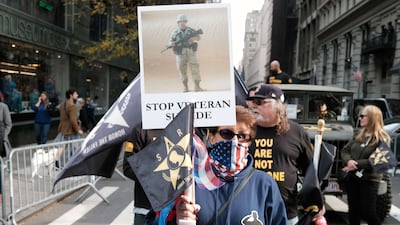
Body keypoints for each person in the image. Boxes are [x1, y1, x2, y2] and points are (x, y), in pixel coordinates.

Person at [168, 106, 287, 224]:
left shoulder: (264, 184)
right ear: (212, 137)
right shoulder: (189, 180)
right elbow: (157, 220)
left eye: (242, 136)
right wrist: (178, 219)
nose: (234, 141)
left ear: (249, 142)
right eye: (226, 133)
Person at [247, 84, 324, 224]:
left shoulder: (296, 132)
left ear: (278, 105)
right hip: (249, 210)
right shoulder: (244, 130)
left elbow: (310, 171)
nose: (254, 106)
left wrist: (317, 201)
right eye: (253, 102)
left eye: (260, 102)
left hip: (286, 212)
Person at [341, 105, 391, 225]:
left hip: (369, 180)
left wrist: (356, 164)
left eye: (363, 116)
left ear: (373, 118)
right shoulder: (359, 134)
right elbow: (345, 150)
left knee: (368, 212)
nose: (360, 118)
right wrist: (349, 161)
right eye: (360, 116)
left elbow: (378, 160)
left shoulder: (382, 138)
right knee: (353, 211)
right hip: (353, 177)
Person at [123, 126, 163, 225]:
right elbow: (128, 167)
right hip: (146, 208)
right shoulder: (140, 130)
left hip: (176, 209)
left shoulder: (183, 124)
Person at [169, 14, 203, 92]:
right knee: (182, 70)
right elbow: (170, 41)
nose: (182, 23)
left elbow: (198, 37)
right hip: (180, 53)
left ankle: (197, 86)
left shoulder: (191, 30)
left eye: (184, 21)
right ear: (178, 23)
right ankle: (185, 87)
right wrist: (172, 44)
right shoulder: (175, 33)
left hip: (191, 51)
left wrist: (192, 38)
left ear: (186, 22)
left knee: (195, 69)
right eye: (180, 21)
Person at [55, 89, 83, 168]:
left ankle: (56, 162)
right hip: (71, 130)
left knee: (62, 146)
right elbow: (73, 120)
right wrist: (78, 130)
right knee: (75, 146)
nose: (77, 95)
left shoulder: (62, 104)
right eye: (76, 94)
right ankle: (75, 163)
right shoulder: (72, 106)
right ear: (71, 95)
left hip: (63, 128)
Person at [0, 93, 12, 204]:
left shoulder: (3, 107)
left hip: (1, 139)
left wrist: (4, 137)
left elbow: (9, 124)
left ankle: (0, 195)